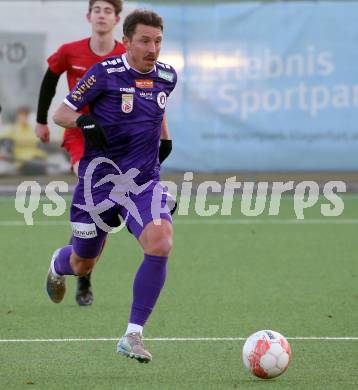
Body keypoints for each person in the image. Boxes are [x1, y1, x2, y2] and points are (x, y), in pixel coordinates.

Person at [46, 9, 177, 363]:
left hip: (143, 182)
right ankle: (57, 266)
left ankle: (132, 334)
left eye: (158, 41)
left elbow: (157, 110)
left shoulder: (167, 76)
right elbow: (62, 113)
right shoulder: (104, 74)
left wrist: (165, 139)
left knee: (161, 242)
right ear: (128, 41)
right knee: (82, 263)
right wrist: (85, 121)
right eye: (145, 41)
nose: (153, 48)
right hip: (98, 184)